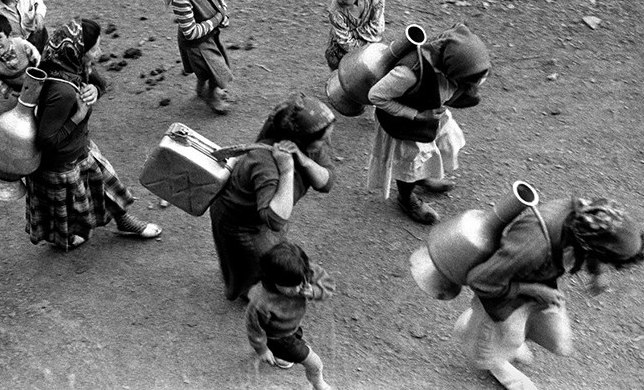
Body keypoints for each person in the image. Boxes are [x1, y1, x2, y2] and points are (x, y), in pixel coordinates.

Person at [454, 197, 644, 390]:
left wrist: (598, 272)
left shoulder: (588, 218)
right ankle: (493, 353)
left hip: (539, 283)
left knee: (559, 344)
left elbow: (592, 245)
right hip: (500, 295)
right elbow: (480, 280)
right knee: (497, 347)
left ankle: (484, 330)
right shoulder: (532, 244)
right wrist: (534, 290)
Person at [25, 18, 161, 251]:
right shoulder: (63, 91)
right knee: (70, 209)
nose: (100, 52)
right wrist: (77, 117)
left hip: (80, 148)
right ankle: (67, 239)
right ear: (78, 51)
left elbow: (100, 82)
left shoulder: (70, 66)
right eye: (95, 48)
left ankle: (123, 221)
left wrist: (95, 90)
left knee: (105, 186)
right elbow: (46, 140)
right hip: (61, 163)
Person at [209, 92, 336, 301]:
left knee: (263, 259)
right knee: (252, 264)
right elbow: (275, 219)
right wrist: (287, 170)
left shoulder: (306, 146)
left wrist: (303, 160)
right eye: (323, 139)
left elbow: (327, 182)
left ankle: (256, 287)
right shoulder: (264, 162)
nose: (328, 143)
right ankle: (249, 296)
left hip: (261, 218)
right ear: (300, 137)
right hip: (240, 223)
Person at [366, 21, 490, 224]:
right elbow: (376, 96)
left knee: (436, 148)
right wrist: (414, 114)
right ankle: (406, 198)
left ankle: (422, 176)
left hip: (429, 116)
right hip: (404, 125)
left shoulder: (448, 65)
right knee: (409, 161)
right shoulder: (408, 73)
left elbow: (449, 90)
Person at [246, 241, 334, 390]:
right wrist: (261, 349)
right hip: (279, 339)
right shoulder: (261, 301)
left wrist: (314, 291)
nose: (298, 289)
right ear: (273, 278)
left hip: (292, 326)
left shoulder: (299, 270)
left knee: (296, 337)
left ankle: (280, 356)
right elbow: (253, 326)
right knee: (314, 363)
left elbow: (328, 285)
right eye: (290, 286)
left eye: (300, 283)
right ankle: (319, 385)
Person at [162, 0, 233, 114]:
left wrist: (223, 12)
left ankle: (202, 89)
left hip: (210, 35)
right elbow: (191, 32)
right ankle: (211, 96)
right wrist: (217, 19)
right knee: (217, 70)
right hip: (197, 43)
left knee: (208, 69)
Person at [325, 0, 386, 70]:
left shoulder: (375, 0)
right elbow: (344, 41)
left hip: (372, 47)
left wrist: (353, 34)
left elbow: (377, 29)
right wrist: (364, 43)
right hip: (342, 52)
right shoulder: (336, 11)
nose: (339, 0)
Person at [0, 13, 41, 99]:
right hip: (18, 89)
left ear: (9, 36)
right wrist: (10, 92)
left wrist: (40, 81)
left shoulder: (23, 45)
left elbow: (39, 62)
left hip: (36, 80)